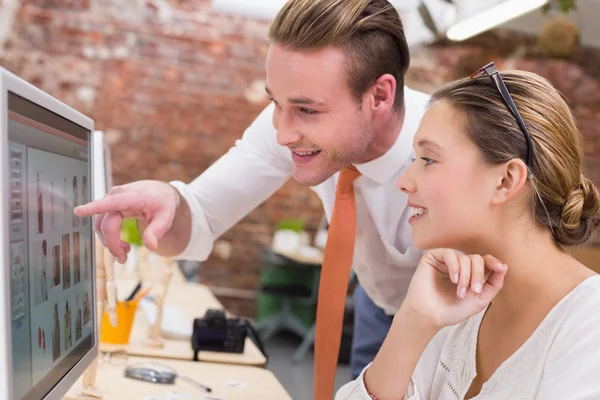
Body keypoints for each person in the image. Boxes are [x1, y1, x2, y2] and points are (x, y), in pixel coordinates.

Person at [74, 0, 429, 396]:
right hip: (376, 302)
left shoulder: (447, 152)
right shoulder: (292, 123)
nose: (282, 133)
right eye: (276, 102)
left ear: (379, 96)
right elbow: (201, 215)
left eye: (308, 110)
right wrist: (170, 202)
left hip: (454, 320)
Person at [335, 65, 600, 400]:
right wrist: (414, 320)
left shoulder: (589, 328)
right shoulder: (455, 305)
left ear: (505, 181)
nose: (404, 182)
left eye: (428, 159)